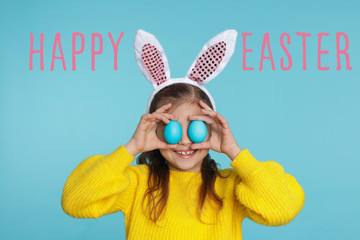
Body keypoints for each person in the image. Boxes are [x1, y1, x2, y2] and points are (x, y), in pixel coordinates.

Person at [61, 29, 305, 240]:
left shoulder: (230, 186)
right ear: (154, 130)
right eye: (171, 128)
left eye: (196, 127)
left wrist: (235, 151)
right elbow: (74, 202)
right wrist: (133, 146)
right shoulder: (137, 183)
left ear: (212, 129)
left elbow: (284, 207)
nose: (185, 140)